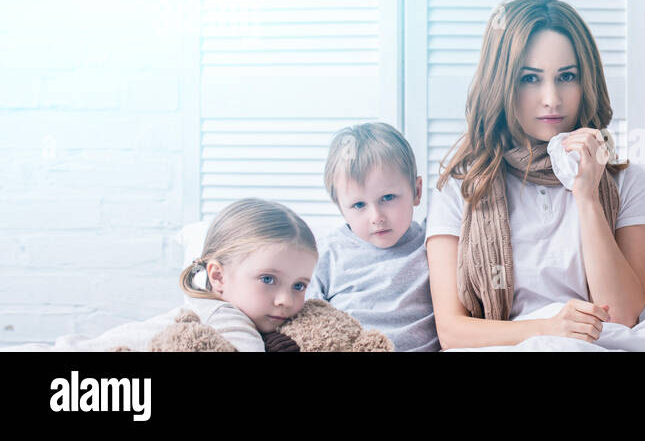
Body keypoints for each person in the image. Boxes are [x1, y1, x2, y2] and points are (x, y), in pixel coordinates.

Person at [425, 0, 645, 349]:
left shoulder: (628, 182)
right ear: (502, 83)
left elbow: (623, 315)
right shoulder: (461, 188)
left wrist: (587, 197)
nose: (551, 98)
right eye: (530, 79)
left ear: (587, 82)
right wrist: (549, 328)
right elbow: (453, 331)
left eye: (567, 77)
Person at [3, 198, 318, 352]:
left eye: (299, 285)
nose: (285, 300)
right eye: (267, 279)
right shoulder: (224, 314)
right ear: (219, 277)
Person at [308, 122, 439, 352]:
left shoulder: (432, 244)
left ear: (417, 191)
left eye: (388, 197)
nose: (376, 217)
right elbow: (306, 320)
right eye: (359, 205)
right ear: (341, 207)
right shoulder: (326, 255)